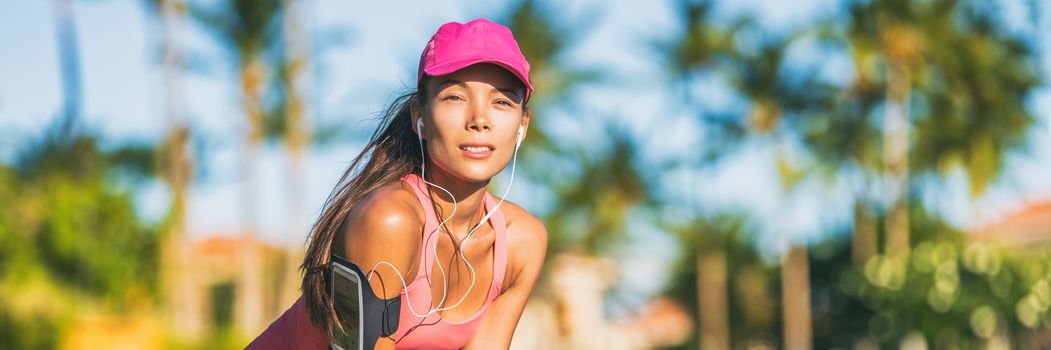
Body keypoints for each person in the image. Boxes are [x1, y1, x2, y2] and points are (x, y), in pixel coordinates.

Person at [247, 18, 548, 350]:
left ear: (523, 124)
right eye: (455, 97)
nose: (479, 120)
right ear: (420, 116)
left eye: (502, 101)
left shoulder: (522, 241)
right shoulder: (390, 218)